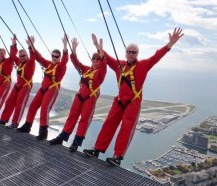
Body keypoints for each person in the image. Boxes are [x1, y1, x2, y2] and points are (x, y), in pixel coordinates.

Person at [83, 27, 184, 166]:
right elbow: (108, 59)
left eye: (133, 52)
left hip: (133, 102)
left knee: (126, 128)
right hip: (119, 101)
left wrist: (170, 44)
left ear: (137, 54)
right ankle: (97, 149)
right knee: (108, 124)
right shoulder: (121, 65)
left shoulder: (143, 65)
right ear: (125, 53)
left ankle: (117, 157)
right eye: (128, 52)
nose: (130, 54)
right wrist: (97, 47)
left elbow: (156, 56)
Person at [49, 36, 107, 152]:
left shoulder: (101, 72)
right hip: (79, 97)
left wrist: (100, 49)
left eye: (98, 59)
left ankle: (76, 143)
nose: (95, 60)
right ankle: (62, 137)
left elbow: (104, 63)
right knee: (72, 116)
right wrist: (74, 49)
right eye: (94, 58)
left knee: (84, 119)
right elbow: (76, 62)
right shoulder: (86, 70)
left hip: (90, 98)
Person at [17, 34, 69, 140]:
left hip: (52, 89)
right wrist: (31, 46)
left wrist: (65, 46)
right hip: (43, 89)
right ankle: (27, 126)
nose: (54, 58)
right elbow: (38, 57)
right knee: (32, 106)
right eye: (53, 56)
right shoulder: (49, 64)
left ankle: (43, 133)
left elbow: (64, 60)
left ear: (59, 58)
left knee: (44, 109)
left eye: (56, 57)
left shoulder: (61, 66)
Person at [0, 34, 36, 128]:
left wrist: (31, 45)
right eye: (20, 56)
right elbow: (13, 55)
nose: (21, 57)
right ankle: (4, 119)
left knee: (20, 104)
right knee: (9, 102)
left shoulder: (30, 63)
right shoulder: (20, 62)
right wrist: (13, 44)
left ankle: (15, 123)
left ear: (27, 55)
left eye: (23, 56)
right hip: (18, 85)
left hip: (26, 85)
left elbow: (33, 55)